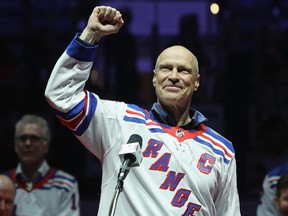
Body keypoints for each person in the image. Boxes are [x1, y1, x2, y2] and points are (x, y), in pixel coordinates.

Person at [45, 5, 241, 215]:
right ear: (154, 78)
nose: (173, 76)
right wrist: (90, 35)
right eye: (166, 68)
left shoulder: (221, 150)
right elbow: (61, 96)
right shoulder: (120, 121)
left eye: (183, 70)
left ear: (196, 82)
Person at [4, 114, 80, 216]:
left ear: (46, 146)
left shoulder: (65, 185)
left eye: (34, 138)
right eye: (22, 138)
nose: (27, 143)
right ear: (15, 145)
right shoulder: (3, 183)